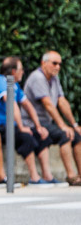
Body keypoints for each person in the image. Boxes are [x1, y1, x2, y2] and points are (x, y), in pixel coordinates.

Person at [0, 57, 52, 185]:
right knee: (25, 136)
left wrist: (38, 126)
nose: (23, 72)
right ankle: (34, 178)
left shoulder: (15, 85)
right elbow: (10, 103)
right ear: (13, 71)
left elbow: (27, 105)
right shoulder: (0, 81)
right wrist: (21, 126)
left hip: (9, 126)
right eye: (21, 69)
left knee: (40, 135)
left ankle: (47, 176)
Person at [24, 51, 81, 185]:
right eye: (54, 63)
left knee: (77, 135)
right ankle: (71, 176)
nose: (57, 67)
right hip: (34, 123)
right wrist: (63, 126)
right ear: (43, 63)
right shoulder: (37, 78)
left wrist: (74, 125)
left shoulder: (54, 79)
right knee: (65, 135)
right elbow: (48, 104)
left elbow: (62, 102)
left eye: (59, 64)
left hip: (46, 123)